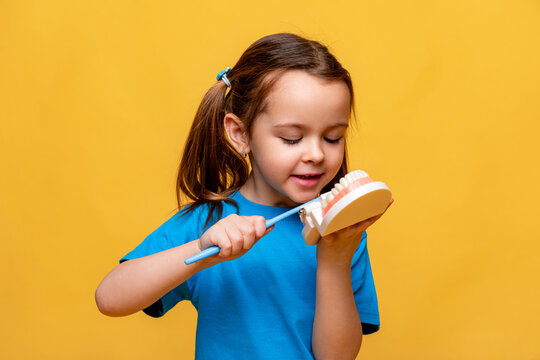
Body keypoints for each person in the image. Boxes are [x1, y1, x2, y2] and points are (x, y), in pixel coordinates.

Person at [95, 32, 392, 359]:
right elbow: (109, 299)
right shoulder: (207, 224)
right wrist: (201, 250)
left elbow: (337, 357)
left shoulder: (340, 231)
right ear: (240, 134)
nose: (316, 154)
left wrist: (334, 261)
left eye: (333, 137)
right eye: (292, 138)